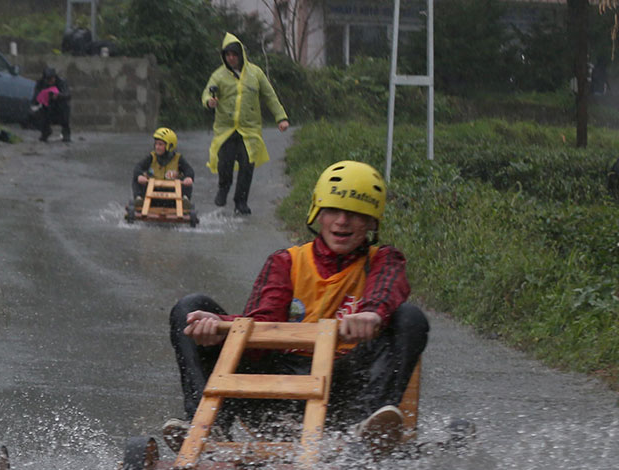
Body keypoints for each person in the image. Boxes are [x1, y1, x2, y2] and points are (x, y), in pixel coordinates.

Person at [167, 161, 428, 454]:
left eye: (355, 214)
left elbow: (386, 288)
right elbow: (261, 324)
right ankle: (205, 425)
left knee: (410, 317)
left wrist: (371, 314)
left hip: (345, 392)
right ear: (318, 213)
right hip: (279, 387)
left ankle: (371, 432)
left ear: (371, 222)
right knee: (189, 308)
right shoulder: (286, 261)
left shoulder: (384, 259)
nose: (342, 221)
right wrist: (218, 327)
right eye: (333, 211)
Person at [204, 33, 289, 216]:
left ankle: (241, 202)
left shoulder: (255, 74)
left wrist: (281, 118)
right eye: (227, 55)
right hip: (226, 129)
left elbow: (270, 96)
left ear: (241, 54)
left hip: (249, 130)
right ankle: (223, 188)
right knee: (224, 163)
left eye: (234, 54)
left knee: (246, 166)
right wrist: (209, 101)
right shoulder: (218, 75)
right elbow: (207, 93)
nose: (231, 58)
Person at [132, 127, 196, 206]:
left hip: (173, 196)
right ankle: (139, 199)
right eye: (156, 144)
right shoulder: (151, 157)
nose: (157, 147)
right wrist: (139, 176)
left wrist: (189, 177)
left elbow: (189, 170)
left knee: (187, 180)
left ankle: (185, 200)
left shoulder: (178, 159)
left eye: (160, 144)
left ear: (169, 146)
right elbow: (138, 167)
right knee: (137, 177)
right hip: (153, 194)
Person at [30, 67, 72, 143]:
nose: (51, 81)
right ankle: (45, 131)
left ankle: (66, 132)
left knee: (65, 108)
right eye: (48, 79)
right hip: (46, 107)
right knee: (36, 112)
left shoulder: (61, 82)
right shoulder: (40, 84)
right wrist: (42, 97)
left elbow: (67, 95)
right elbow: (35, 98)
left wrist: (58, 96)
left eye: (52, 78)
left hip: (59, 106)